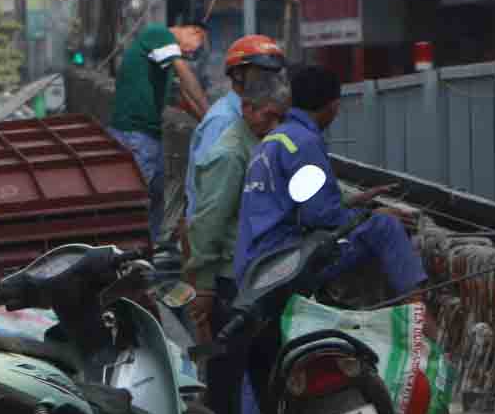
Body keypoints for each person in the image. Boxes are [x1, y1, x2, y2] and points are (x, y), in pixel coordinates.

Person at [236, 64, 429, 304]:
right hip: (283, 264)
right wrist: (370, 215)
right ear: (334, 106)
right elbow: (320, 216)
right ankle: (420, 320)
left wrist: (355, 201)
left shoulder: (275, 140)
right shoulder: (303, 143)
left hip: (255, 261)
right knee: (385, 227)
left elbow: (295, 204)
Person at [187, 75, 290, 414]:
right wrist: (203, 286)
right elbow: (207, 223)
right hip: (231, 283)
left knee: (269, 373)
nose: (274, 124)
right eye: (268, 115)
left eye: (280, 117)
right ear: (248, 109)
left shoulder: (264, 145)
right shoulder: (230, 154)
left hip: (261, 279)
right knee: (224, 384)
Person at [107, 22, 210, 242]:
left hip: (149, 135)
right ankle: (128, 254)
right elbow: (185, 76)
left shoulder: (162, 54)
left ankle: (148, 253)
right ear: (193, 31)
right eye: (197, 46)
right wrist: (209, 112)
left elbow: (182, 94)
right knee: (137, 204)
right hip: (135, 133)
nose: (193, 53)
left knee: (155, 201)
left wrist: (208, 122)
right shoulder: (159, 34)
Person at [183, 35, 287, 238]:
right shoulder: (224, 121)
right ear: (238, 74)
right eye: (262, 72)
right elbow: (209, 199)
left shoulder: (263, 118)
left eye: (273, 73)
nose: (270, 79)